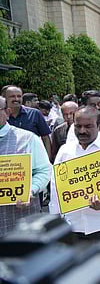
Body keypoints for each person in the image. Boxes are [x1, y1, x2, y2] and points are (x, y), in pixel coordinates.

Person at [49, 106, 100, 241]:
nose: (82, 131)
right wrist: (55, 217)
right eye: (78, 126)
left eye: (88, 126)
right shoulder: (65, 151)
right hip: (73, 225)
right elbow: (56, 187)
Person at [0, 96, 51, 237]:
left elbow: (44, 170)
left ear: (7, 112)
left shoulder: (27, 139)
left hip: (19, 222)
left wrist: (31, 190)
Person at [4, 86, 52, 161]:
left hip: (32, 161)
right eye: (12, 96)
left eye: (19, 96)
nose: (16, 99)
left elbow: (45, 138)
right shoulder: (2, 116)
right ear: (4, 98)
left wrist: (48, 160)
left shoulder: (35, 114)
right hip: (8, 163)